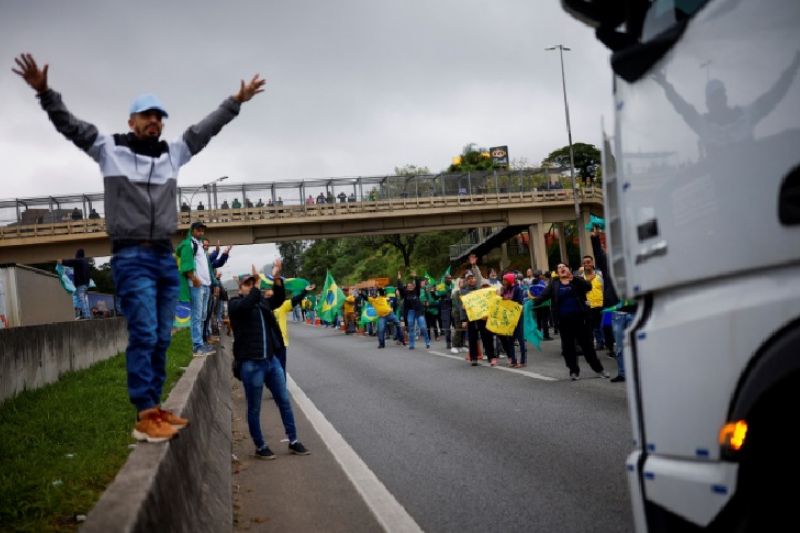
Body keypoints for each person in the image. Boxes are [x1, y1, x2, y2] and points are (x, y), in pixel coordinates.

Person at [14, 52, 265, 442]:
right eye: (146, 115)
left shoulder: (172, 154)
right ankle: (145, 413)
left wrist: (236, 101)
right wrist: (45, 93)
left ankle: (156, 408)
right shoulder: (109, 148)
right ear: (131, 121)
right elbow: (71, 127)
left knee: (163, 336)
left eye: (159, 116)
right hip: (131, 256)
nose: (154, 121)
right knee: (144, 332)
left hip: (163, 256)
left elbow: (203, 131)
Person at [228, 261, 310, 459]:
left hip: (271, 362)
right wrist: (257, 286)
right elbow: (247, 304)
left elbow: (280, 298)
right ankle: (260, 446)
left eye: (252, 282)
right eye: (247, 283)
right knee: (254, 408)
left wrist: (276, 277)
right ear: (239, 288)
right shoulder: (235, 304)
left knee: (284, 401)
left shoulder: (262, 302)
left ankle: (293, 440)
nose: (251, 285)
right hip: (251, 364)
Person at [532, 263, 609, 381]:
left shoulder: (577, 280)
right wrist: (530, 303)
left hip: (580, 320)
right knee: (568, 348)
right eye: (559, 267)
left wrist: (574, 280)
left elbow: (588, 287)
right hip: (563, 321)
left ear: (569, 269)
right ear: (557, 272)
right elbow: (543, 296)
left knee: (587, 346)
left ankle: (599, 369)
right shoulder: (554, 283)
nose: (562, 268)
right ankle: (574, 371)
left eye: (564, 266)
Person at [177, 222, 216, 356]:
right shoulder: (189, 244)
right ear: (192, 230)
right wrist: (194, 279)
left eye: (202, 231)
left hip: (205, 285)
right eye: (198, 230)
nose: (201, 233)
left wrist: (210, 283)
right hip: (196, 286)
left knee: (203, 316)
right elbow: (186, 266)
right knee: (197, 316)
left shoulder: (199, 246)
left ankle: (200, 343)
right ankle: (197, 346)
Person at [459, 254, 495, 366]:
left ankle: (490, 356)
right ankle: (474, 358)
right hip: (470, 317)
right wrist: (463, 319)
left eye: (472, 278)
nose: (472, 280)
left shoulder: (479, 287)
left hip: (481, 316)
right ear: (466, 280)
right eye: (469, 278)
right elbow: (462, 306)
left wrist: (474, 265)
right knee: (472, 337)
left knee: (486, 337)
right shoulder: (463, 291)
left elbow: (479, 276)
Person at [497, 273, 527, 368]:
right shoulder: (505, 290)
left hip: (517, 316)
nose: (503, 282)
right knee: (510, 339)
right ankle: (513, 360)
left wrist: (508, 301)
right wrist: (501, 296)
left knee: (520, 339)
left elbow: (519, 302)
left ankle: (522, 361)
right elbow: (501, 301)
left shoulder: (518, 289)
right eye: (503, 280)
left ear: (510, 280)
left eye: (505, 280)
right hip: (508, 317)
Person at [397, 270, 430, 350]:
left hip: (419, 311)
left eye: (411, 286)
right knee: (411, 328)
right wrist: (399, 279)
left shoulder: (417, 292)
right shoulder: (405, 293)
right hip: (410, 312)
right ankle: (412, 345)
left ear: (414, 286)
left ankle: (427, 342)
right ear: (407, 287)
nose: (410, 287)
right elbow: (400, 288)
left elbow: (418, 284)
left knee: (422, 327)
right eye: (408, 286)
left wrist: (415, 276)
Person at [581, 255, 605, 350]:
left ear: (592, 263)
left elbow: (603, 289)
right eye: (584, 263)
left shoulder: (600, 276)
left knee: (605, 324)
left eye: (588, 262)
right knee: (594, 326)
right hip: (589, 306)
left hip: (601, 304)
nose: (587, 264)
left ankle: (608, 341)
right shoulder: (581, 278)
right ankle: (599, 342)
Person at [60, 248, 91, 319]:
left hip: (81, 283)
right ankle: (86, 314)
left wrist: (62, 261)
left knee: (81, 299)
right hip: (86, 283)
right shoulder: (85, 261)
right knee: (82, 299)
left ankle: (86, 315)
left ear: (78, 254)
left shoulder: (79, 260)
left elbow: (71, 262)